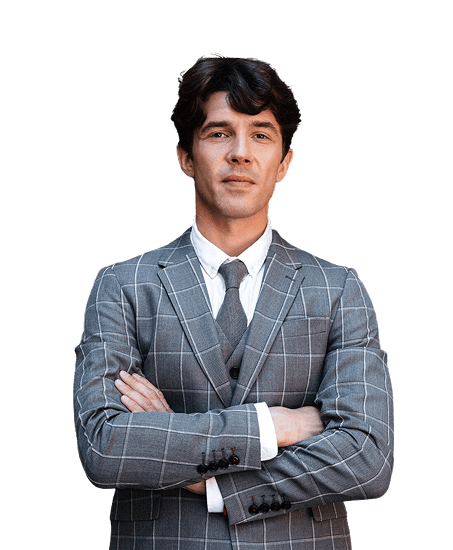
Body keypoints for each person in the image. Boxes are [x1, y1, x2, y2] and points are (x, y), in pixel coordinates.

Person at [74, 55, 394, 549]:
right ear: (185, 156)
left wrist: (207, 477)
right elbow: (104, 447)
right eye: (219, 133)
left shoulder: (339, 289)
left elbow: (366, 458)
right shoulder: (122, 286)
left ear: (284, 163)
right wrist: (274, 425)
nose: (240, 153)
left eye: (261, 135)